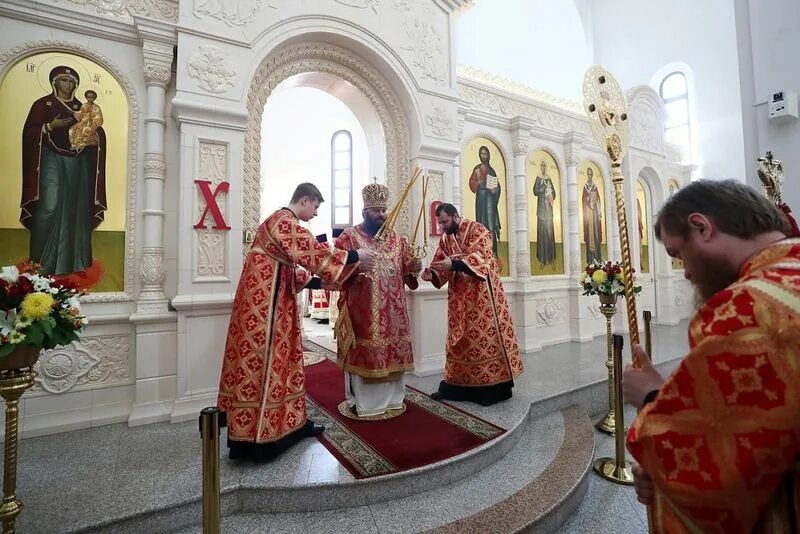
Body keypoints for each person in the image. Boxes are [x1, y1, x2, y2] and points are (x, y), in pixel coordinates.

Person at [622, 179, 800, 533]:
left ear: (701, 227)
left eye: (679, 255)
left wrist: (650, 397)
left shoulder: (751, 306)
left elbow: (709, 474)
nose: (686, 272)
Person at [217, 183, 375, 461]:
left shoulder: (275, 224)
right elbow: (312, 251)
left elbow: (290, 270)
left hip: (271, 303)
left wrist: (327, 282)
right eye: (315, 207)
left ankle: (291, 424)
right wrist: (354, 256)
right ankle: (261, 438)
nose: (314, 214)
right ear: (305, 200)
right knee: (267, 364)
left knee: (285, 361)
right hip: (266, 310)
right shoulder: (284, 221)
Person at [333, 182, 422, 417]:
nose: (381, 215)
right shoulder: (348, 237)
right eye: (376, 211)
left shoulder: (398, 240)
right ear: (365, 212)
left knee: (393, 355)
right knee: (364, 356)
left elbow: (409, 277)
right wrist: (355, 267)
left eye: (384, 210)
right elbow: (334, 271)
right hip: (362, 315)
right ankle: (364, 404)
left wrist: (413, 267)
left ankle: (393, 400)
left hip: (394, 316)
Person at [421, 203, 523, 406]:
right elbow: (440, 263)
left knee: (483, 340)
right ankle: (457, 386)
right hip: (459, 300)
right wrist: (431, 273)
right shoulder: (446, 238)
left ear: (455, 216)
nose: (442, 227)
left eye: (445, 222)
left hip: (482, 297)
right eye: (440, 223)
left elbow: (482, 257)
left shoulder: (477, 229)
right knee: (460, 341)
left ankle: (489, 389)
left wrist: (455, 264)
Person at [21, 66, 107, 276]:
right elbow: (30, 132)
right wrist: (50, 126)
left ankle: (76, 263)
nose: (68, 85)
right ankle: (39, 263)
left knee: (76, 208)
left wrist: (91, 134)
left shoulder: (83, 107)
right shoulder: (43, 105)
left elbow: (98, 130)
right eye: (63, 80)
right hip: (50, 158)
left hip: (78, 161)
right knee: (49, 205)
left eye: (71, 81)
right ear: (54, 83)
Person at [468, 145, 502, 257]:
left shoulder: (492, 171)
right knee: (481, 224)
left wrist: (494, 190)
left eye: (485, 153)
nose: (484, 156)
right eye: (482, 153)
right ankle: (481, 252)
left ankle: (493, 252)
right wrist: (478, 182)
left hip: (490, 202)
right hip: (481, 199)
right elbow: (472, 185)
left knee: (491, 227)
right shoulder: (477, 169)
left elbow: (498, 188)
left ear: (489, 156)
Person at [533, 160, 557, 268]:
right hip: (541, 211)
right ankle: (542, 258)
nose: (543, 167)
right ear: (540, 167)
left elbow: (555, 194)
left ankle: (551, 258)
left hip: (549, 211)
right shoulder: (538, 178)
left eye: (544, 165)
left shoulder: (549, 179)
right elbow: (535, 191)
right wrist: (542, 189)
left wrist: (550, 192)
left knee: (550, 233)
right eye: (541, 165)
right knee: (542, 233)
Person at [582, 167, 603, 263]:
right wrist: (588, 200)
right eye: (588, 174)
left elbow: (599, 200)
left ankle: (598, 257)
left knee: (596, 235)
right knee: (590, 236)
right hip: (588, 215)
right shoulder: (585, 187)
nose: (590, 176)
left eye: (591, 174)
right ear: (587, 175)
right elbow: (583, 201)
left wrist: (596, 201)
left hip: (595, 215)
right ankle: (590, 259)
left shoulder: (595, 187)